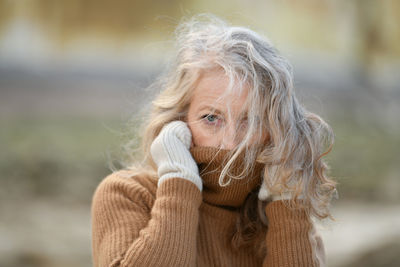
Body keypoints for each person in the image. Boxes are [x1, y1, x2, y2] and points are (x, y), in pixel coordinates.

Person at [91, 14, 337, 267]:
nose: (230, 143)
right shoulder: (128, 195)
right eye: (211, 118)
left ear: (276, 129)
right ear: (179, 119)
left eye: (250, 121)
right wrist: (179, 181)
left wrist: (288, 199)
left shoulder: (281, 215)